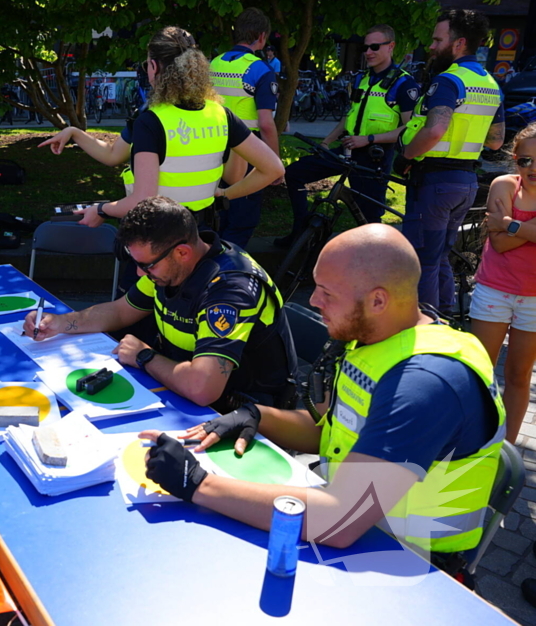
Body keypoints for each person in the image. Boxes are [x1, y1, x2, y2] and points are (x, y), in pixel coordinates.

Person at [141, 224, 504, 563]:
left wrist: (199, 485)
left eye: (327, 294)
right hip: (368, 537)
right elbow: (333, 436)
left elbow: (339, 520)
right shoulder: (381, 339)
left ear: (378, 301)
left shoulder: (424, 383)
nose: (313, 301)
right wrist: (257, 416)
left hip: (411, 566)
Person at [24, 196, 298, 412]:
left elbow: (203, 388)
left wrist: (144, 356)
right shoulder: (170, 267)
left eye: (146, 265)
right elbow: (120, 311)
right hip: (185, 392)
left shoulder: (229, 290)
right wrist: (60, 323)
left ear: (182, 252)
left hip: (245, 411)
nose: (141, 273)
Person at [65, 26, 284, 234]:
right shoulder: (221, 114)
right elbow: (273, 169)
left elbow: (142, 199)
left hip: (155, 237)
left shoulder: (150, 120)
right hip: (200, 236)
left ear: (154, 66)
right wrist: (225, 194)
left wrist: (101, 209)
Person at [398, 9, 505, 313]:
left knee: (423, 258)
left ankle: (428, 330)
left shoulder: (448, 81)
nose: (431, 46)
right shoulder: (490, 84)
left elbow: (434, 130)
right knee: (439, 255)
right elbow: (496, 140)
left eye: (437, 39)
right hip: (465, 182)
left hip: (434, 183)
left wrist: (406, 154)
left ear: (458, 44)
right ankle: (447, 315)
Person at [275, 24, 419, 246]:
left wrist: (370, 139)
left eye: (374, 47)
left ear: (391, 47)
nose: (368, 52)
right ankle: (300, 234)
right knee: (295, 173)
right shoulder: (361, 78)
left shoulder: (403, 83)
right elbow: (349, 116)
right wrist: (326, 142)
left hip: (375, 158)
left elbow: (411, 128)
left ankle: (371, 265)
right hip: (346, 149)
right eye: (365, 47)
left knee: (369, 221)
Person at [469, 122, 536, 445]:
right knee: (480, 372)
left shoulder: (509, 197)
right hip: (493, 289)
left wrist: (507, 225)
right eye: (525, 160)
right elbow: (498, 245)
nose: (532, 168)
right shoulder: (503, 185)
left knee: (518, 375)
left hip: (534, 299)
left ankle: (506, 450)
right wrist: (525, 230)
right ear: (515, 158)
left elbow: (503, 233)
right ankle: (473, 441)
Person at [210, 8, 281, 247]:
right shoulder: (261, 70)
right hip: (247, 151)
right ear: (261, 37)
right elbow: (266, 124)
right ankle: (226, 276)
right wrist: (274, 165)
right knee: (241, 222)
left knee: (218, 216)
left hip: (213, 147)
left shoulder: (214, 63)